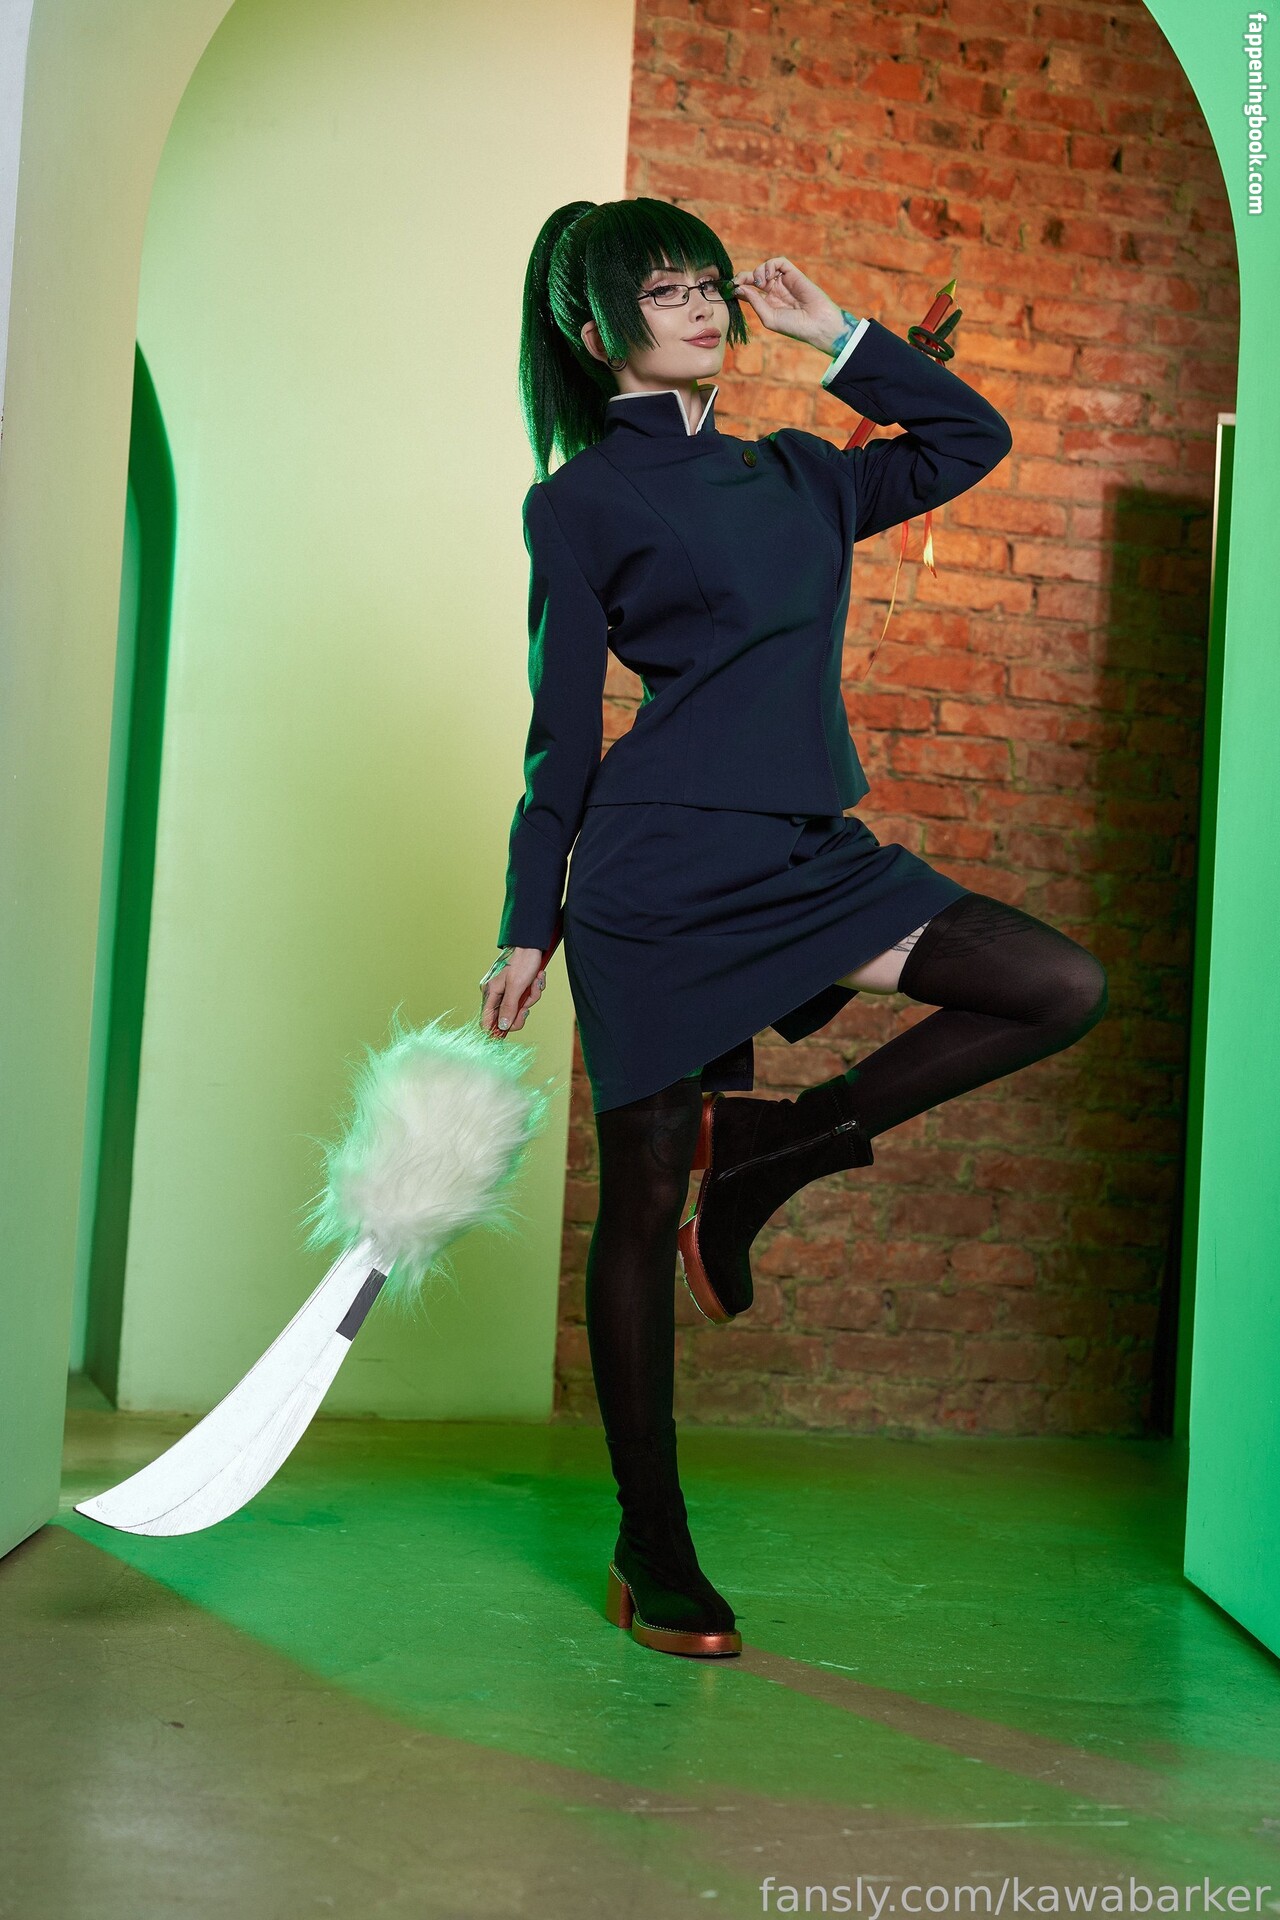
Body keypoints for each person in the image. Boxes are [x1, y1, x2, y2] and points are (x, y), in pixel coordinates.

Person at [479, 197, 1108, 1662]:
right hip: (654, 882)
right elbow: (560, 732)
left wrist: (843, 336)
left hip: (809, 860)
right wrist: (528, 923)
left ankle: (781, 1146)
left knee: (1055, 984)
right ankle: (652, 1544)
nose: (703, 307)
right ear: (596, 329)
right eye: (665, 292)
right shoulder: (577, 503)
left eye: (710, 284)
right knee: (641, 1207)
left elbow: (969, 440)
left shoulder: (801, 473)